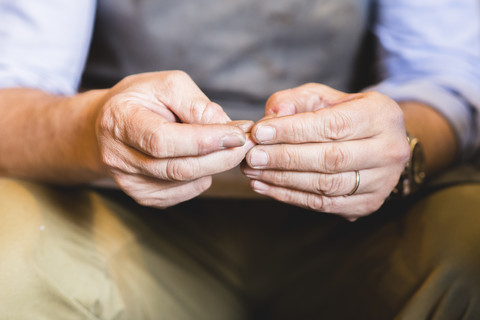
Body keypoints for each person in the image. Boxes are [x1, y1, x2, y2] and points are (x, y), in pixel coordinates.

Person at [0, 0, 479, 319]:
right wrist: (96, 128)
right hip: (119, 211)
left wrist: (400, 148)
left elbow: (444, 71)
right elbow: (11, 87)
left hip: (366, 225)